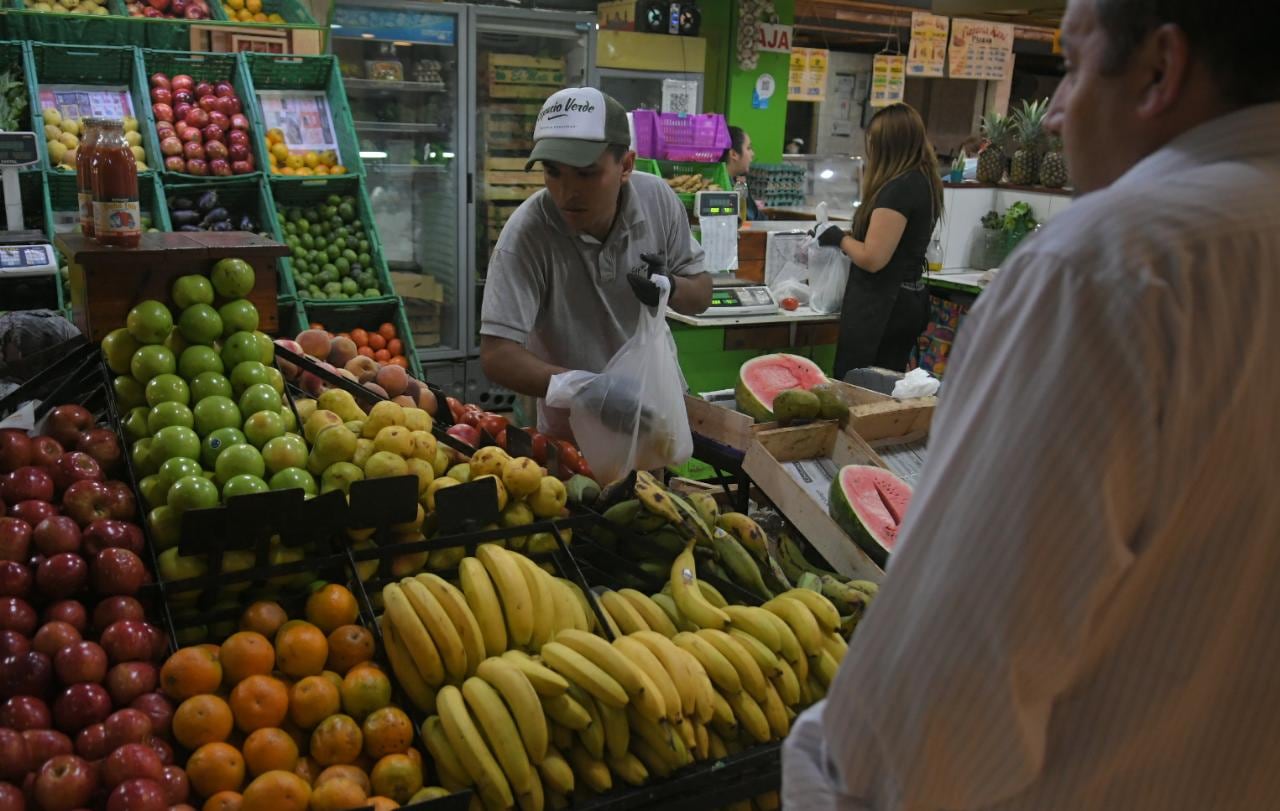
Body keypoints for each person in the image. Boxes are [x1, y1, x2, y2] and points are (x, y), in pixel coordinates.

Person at [784, 0, 1280, 808]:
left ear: (1160, 70)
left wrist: (823, 763)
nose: (1050, 116)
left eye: (1074, 67)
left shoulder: (1105, 269)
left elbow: (929, 718)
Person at [479, 87, 712, 440]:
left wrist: (670, 286)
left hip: (654, 412)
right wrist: (588, 392)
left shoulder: (658, 201)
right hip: (572, 434)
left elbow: (702, 295)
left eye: (586, 173)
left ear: (626, 166)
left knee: (655, 493)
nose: (566, 192)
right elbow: (498, 354)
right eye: (553, 172)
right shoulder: (528, 234)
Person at [813, 103, 942, 377]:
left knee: (862, 389)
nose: (868, 151)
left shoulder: (899, 189)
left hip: (884, 308)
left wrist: (838, 238)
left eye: (872, 143)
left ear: (887, 146)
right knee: (883, 390)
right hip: (905, 299)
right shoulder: (923, 181)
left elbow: (873, 258)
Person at [721, 126, 762, 221]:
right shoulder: (721, 189)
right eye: (748, 148)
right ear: (734, 154)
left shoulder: (739, 183)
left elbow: (755, 217)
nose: (752, 154)